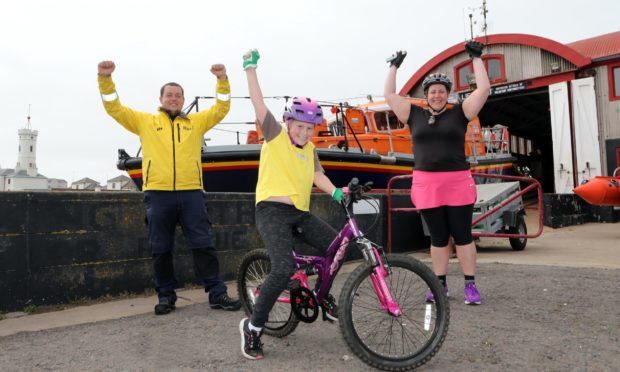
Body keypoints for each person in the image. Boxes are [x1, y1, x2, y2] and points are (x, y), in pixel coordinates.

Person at [97, 60, 240, 315]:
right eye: (169, 95)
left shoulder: (196, 122)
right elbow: (114, 108)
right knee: (160, 248)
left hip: (192, 192)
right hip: (158, 193)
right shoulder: (145, 121)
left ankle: (217, 294)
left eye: (178, 95)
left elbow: (222, 107)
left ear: (183, 99)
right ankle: (166, 296)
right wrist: (105, 78)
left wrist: (222, 79)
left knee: (204, 244)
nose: (173, 99)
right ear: (161, 99)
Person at [238, 49, 343, 360]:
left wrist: (338, 193)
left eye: (310, 128)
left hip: (299, 213)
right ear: (288, 122)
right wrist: (250, 70)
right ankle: (254, 328)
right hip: (271, 211)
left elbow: (317, 175)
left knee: (338, 246)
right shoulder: (274, 136)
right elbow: (259, 104)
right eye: (299, 125)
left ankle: (320, 296)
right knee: (282, 267)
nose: (305, 132)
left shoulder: (310, 149)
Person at [384, 41, 490, 305]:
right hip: (427, 184)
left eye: (441, 91)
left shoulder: (461, 113)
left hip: (457, 182)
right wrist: (394, 66)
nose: (437, 95)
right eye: (432, 92)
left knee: (463, 235)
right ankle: (439, 285)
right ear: (426, 94)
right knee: (439, 237)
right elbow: (389, 95)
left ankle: (470, 286)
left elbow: (484, 89)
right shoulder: (413, 113)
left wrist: (476, 59)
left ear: (447, 94)